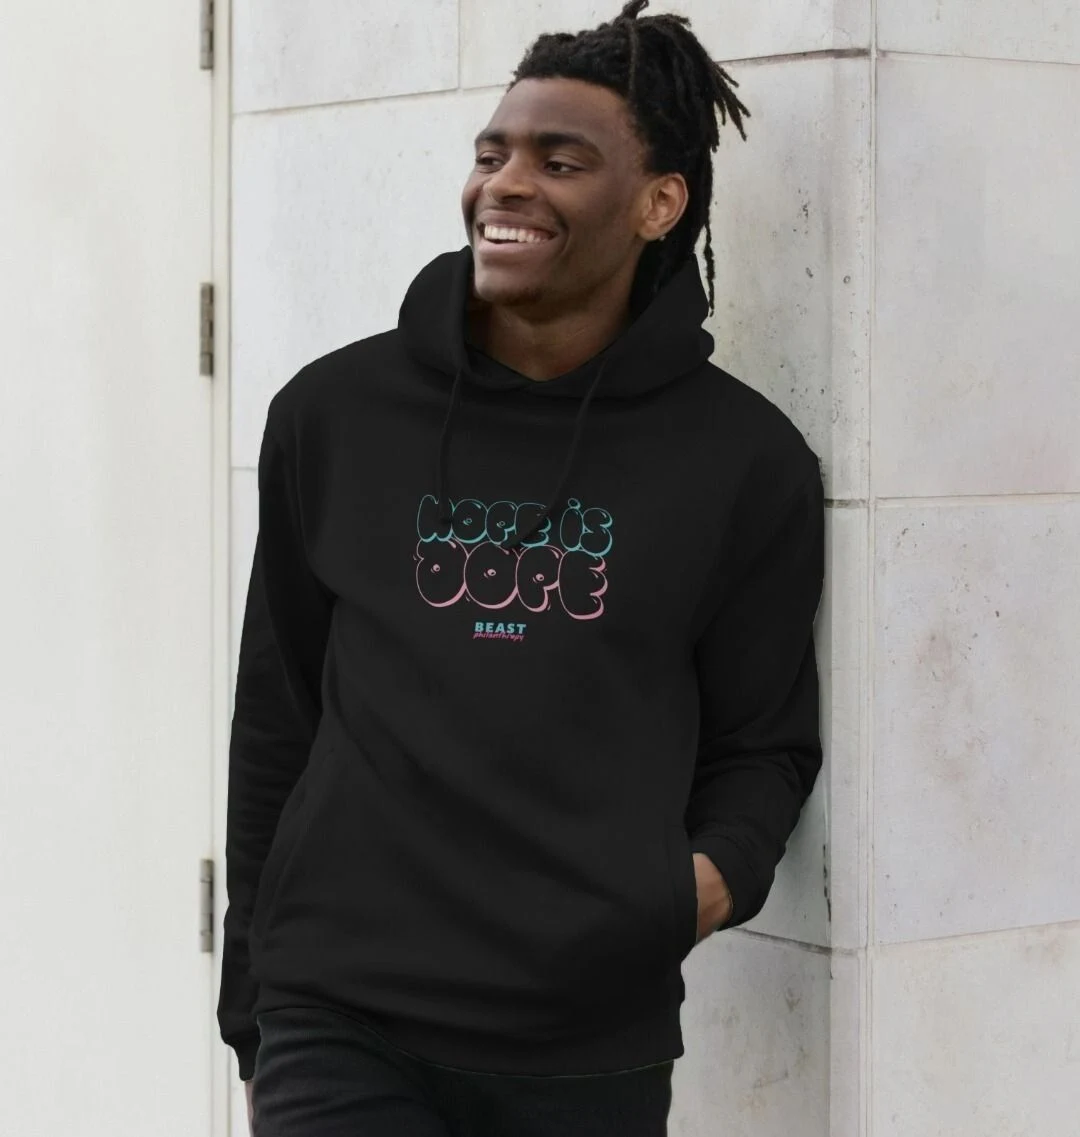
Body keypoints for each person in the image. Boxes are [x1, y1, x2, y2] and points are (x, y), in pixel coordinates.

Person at [217, 2, 826, 1134]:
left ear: (659, 203)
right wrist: (252, 1008)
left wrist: (686, 893)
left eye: (561, 161)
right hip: (340, 1016)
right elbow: (278, 717)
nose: (506, 184)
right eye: (492, 153)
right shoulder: (336, 415)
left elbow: (765, 744)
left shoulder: (744, 461)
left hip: (585, 1046)